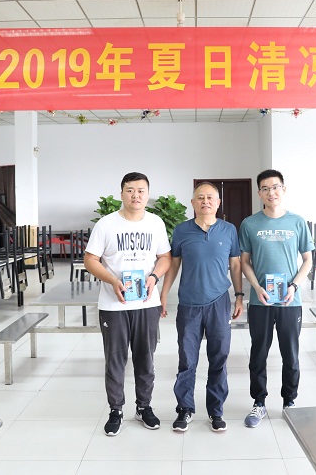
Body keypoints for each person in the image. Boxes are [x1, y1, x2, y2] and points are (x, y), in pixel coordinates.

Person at [84, 172, 172, 436]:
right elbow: (90, 260)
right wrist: (112, 280)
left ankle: (144, 407)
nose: (136, 195)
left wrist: (154, 277)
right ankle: (116, 410)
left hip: (146, 303)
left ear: (148, 194)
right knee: (115, 359)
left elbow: (165, 257)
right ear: (121, 193)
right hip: (114, 305)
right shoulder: (106, 224)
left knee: (145, 358)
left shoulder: (155, 223)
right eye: (130, 190)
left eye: (141, 190)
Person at [160, 182, 244, 433]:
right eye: (200, 197)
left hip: (219, 302)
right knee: (187, 360)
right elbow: (174, 264)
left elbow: (236, 265)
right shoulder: (182, 230)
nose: (205, 201)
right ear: (192, 202)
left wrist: (239, 296)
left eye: (210, 197)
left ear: (218, 202)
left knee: (219, 358)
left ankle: (216, 411)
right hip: (189, 304)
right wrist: (163, 293)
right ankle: (185, 409)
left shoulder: (229, 230)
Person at [238, 169, 314, 428]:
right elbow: (245, 262)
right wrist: (256, 287)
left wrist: (294, 285)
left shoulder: (297, 222)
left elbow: (307, 260)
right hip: (261, 301)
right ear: (259, 193)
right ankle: (258, 402)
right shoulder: (250, 224)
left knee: (290, 354)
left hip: (290, 301)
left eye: (275, 187)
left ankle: (289, 402)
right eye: (265, 188)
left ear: (283, 189)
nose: (271, 192)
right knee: (258, 353)